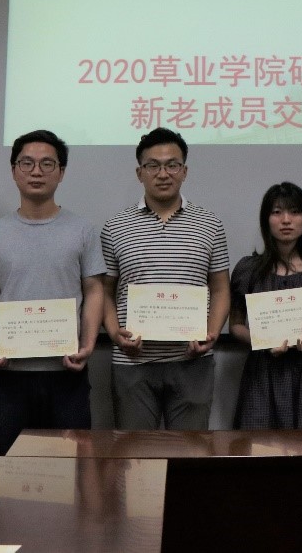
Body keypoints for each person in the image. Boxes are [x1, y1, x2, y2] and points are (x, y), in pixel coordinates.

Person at [0, 129, 106, 455]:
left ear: (61, 172)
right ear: (14, 170)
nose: (36, 171)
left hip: (66, 373)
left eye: (47, 164)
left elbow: (94, 289)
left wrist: (88, 344)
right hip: (8, 376)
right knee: (8, 470)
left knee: (68, 470)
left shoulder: (83, 230)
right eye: (27, 163)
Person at [101, 127, 230, 430]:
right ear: (139, 173)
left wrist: (211, 333)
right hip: (133, 362)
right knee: (134, 452)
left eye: (172, 165)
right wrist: (114, 332)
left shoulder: (210, 224)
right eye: (153, 165)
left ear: (184, 171)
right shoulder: (114, 227)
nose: (163, 174)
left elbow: (221, 289)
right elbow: (104, 292)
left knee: (191, 451)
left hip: (192, 360)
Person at [229, 182, 302, 429]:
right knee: (260, 445)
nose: (286, 220)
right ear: (266, 220)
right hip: (262, 372)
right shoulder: (248, 270)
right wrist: (262, 342)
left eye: (295, 212)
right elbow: (235, 326)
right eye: (277, 212)